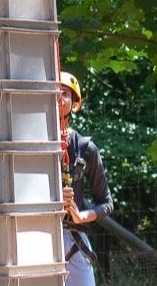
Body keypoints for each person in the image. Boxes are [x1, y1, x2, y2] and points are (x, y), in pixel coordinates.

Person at [58, 71, 113, 286]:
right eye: (52, 93)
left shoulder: (84, 148)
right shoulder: (29, 147)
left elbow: (106, 203)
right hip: (38, 236)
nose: (57, 98)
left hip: (74, 239)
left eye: (64, 93)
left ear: (74, 103)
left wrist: (80, 216)